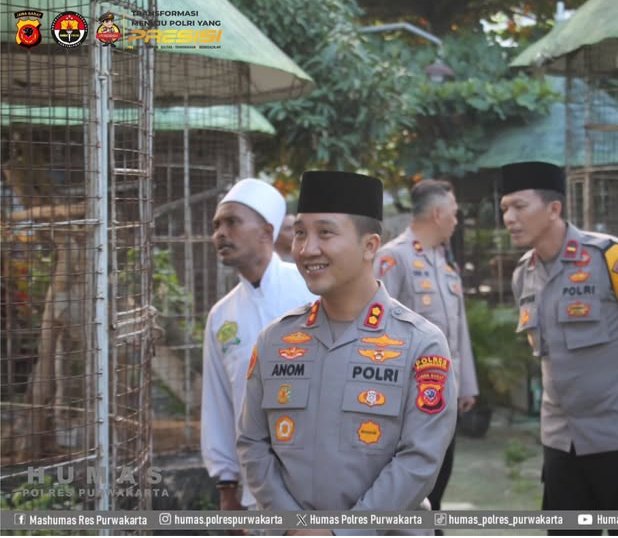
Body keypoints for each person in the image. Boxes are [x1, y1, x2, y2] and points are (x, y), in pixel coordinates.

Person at [237, 171, 457, 535]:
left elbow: (419, 461)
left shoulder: (421, 344)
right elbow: (252, 443)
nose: (307, 249)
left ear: (370, 246)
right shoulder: (275, 341)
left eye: (325, 233)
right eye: (301, 233)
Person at [500, 161, 618, 535]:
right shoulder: (523, 275)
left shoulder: (608, 258)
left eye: (520, 206)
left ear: (554, 208)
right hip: (561, 443)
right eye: (505, 208)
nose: (509, 218)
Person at [201, 178, 315, 511]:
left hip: (323, 483)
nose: (220, 234)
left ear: (266, 232)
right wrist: (226, 485)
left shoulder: (311, 291)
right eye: (216, 226)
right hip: (258, 493)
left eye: (232, 222)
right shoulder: (222, 317)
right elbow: (219, 402)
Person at [375, 179, 478, 515]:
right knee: (412, 489)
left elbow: (459, 329)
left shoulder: (445, 263)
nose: (456, 221)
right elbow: (377, 329)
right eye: (454, 213)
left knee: (440, 478)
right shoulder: (393, 257)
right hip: (408, 402)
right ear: (437, 214)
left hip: (445, 397)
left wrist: (466, 385)